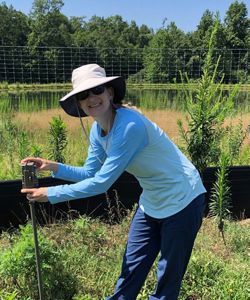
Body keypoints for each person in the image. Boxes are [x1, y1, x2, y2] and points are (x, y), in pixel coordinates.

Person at [21, 63, 206, 300]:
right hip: (152, 201)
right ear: (78, 102)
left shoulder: (130, 125)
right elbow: (90, 173)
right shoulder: (98, 131)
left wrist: (52, 194)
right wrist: (52, 167)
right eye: (83, 95)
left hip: (184, 199)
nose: (91, 98)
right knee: (130, 270)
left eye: (97, 90)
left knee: (168, 278)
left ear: (110, 92)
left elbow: (101, 184)